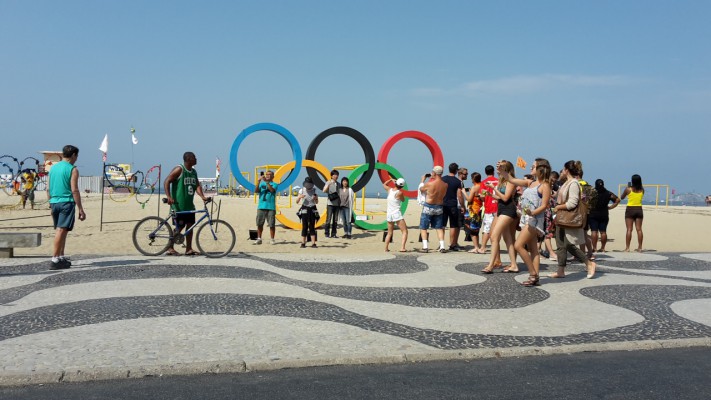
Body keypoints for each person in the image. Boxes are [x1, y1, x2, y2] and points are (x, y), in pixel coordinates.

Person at [551, 160, 597, 279]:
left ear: (566, 170)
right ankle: (561, 270)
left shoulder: (573, 184)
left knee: (568, 244)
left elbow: (572, 203)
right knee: (560, 244)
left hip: (568, 217)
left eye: (563, 169)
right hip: (561, 217)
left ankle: (589, 263)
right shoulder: (566, 183)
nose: (561, 171)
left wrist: (558, 207)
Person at [509, 163, 552, 286]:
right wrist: (503, 170)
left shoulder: (545, 185)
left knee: (518, 245)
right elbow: (512, 180)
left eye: (533, 166)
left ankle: (533, 273)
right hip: (526, 218)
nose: (530, 168)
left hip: (534, 220)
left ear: (541, 169)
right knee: (534, 249)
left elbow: (544, 205)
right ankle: (535, 278)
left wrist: (532, 212)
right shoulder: (530, 182)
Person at [47, 145, 86, 270]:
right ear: (73, 155)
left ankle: (61, 256)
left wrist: (50, 203)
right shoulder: (72, 169)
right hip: (66, 202)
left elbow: (48, 188)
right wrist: (80, 208)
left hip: (54, 201)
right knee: (61, 230)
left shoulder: (53, 168)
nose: (77, 159)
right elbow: (74, 190)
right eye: (77, 156)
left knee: (62, 230)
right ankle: (55, 258)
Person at [164, 151, 209, 256]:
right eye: (194, 157)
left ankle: (189, 249)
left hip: (189, 206)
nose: (196, 159)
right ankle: (170, 247)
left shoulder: (193, 172)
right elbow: (167, 181)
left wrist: (202, 196)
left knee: (190, 226)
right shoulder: (179, 169)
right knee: (179, 227)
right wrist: (169, 197)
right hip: (179, 205)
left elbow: (197, 185)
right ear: (189, 159)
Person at [481, 161, 519, 273]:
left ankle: (490, 265)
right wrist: (490, 194)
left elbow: (506, 198)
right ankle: (514, 265)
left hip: (508, 210)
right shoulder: (503, 180)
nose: (497, 167)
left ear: (506, 168)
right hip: (501, 209)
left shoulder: (511, 180)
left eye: (500, 166)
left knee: (494, 236)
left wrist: (494, 188)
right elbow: (499, 197)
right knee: (508, 239)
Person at [418, 166, 448, 253]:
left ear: (434, 173)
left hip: (429, 206)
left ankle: (425, 246)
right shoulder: (445, 185)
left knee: (423, 227)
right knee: (439, 227)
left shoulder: (430, 184)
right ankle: (442, 246)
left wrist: (422, 180)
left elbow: (421, 189)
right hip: (439, 206)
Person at [588, 179, 620, 252]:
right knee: (603, 232)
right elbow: (617, 200)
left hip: (593, 213)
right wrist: (610, 207)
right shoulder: (608, 193)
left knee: (594, 231)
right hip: (604, 214)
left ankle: (594, 248)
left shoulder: (592, 192)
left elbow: (585, 200)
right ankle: (603, 248)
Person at [442, 163, 466, 251]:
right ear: (456, 171)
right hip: (452, 204)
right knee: (453, 225)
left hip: (443, 204)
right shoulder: (457, 181)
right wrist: (462, 206)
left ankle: (442, 244)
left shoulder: (443, 179)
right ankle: (452, 244)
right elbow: (459, 195)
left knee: (442, 225)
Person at [477, 165, 499, 256]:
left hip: (489, 207)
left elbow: (482, 196)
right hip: (498, 206)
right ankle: (496, 246)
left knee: (487, 229)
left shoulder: (484, 182)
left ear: (485, 172)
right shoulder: (498, 181)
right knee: (498, 229)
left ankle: (483, 247)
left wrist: (484, 199)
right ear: (493, 171)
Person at [383, 177, 408, 252]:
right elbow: (403, 200)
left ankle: (386, 248)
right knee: (404, 231)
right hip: (396, 213)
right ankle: (402, 247)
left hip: (389, 214)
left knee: (389, 233)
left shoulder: (389, 190)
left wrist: (390, 180)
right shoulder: (399, 193)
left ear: (395, 183)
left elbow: (384, 184)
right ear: (402, 186)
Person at [621, 174, 644, 252]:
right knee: (639, 229)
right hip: (639, 209)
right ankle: (640, 247)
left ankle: (627, 248)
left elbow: (622, 197)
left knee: (629, 229)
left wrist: (627, 188)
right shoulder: (642, 190)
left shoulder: (628, 189)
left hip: (630, 209)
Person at [254, 170, 277, 245]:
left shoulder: (275, 184)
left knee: (271, 224)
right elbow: (256, 191)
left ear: (273, 176)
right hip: (261, 206)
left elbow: (272, 190)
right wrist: (258, 182)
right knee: (259, 223)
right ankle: (259, 238)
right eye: (266, 174)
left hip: (271, 207)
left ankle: (272, 239)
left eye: (269, 174)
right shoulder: (262, 183)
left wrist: (266, 182)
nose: (267, 176)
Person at [297, 176, 319, 248]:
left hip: (312, 208)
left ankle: (313, 243)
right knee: (304, 226)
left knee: (312, 226)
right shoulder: (302, 190)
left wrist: (315, 198)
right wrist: (300, 197)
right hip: (304, 208)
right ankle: (303, 243)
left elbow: (317, 202)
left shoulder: (314, 190)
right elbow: (297, 202)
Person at [466, 172, 483, 253]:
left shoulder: (474, 187)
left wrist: (464, 192)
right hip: (481, 209)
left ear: (473, 179)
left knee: (473, 230)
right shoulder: (482, 185)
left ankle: (476, 247)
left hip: (474, 210)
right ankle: (477, 246)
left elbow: (469, 199)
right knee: (477, 229)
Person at [323, 170, 340, 238]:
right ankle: (327, 233)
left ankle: (334, 234)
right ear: (332, 176)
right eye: (335, 175)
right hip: (330, 204)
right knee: (328, 219)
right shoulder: (328, 182)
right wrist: (328, 185)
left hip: (337, 204)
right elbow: (324, 190)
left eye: (337, 175)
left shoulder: (338, 184)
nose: (336, 176)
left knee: (335, 220)